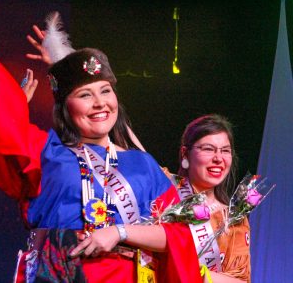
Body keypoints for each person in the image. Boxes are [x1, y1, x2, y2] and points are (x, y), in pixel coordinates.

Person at [0, 0, 173, 282]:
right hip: (60, 274)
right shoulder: (47, 152)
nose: (100, 103)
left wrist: (119, 232)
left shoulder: (143, 164)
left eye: (105, 91)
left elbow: (177, 235)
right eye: (85, 95)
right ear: (65, 107)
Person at [72, 114, 250, 282]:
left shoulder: (234, 221)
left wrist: (189, 270)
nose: (218, 158)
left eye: (225, 151)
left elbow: (241, 280)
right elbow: (123, 150)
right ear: (185, 154)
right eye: (208, 149)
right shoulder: (161, 183)